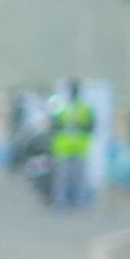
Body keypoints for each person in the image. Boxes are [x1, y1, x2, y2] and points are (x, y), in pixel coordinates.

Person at [50, 82, 96, 211]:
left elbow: (91, 126)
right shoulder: (61, 107)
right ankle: (60, 204)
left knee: (79, 180)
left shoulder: (85, 108)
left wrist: (80, 126)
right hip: (63, 149)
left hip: (79, 149)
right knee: (62, 179)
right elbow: (54, 125)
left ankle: (80, 204)